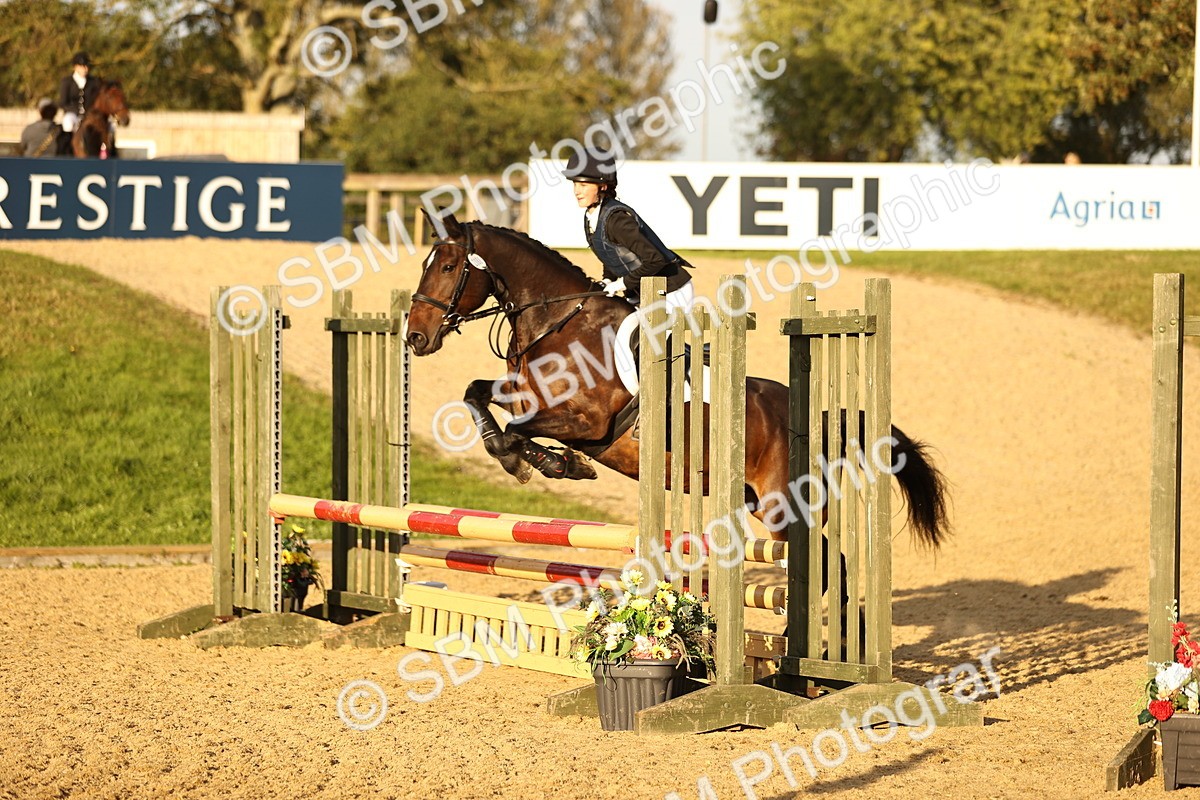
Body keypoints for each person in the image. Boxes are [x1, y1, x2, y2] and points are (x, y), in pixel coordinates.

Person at [562, 148, 694, 312]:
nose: (577, 191)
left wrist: (621, 283)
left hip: (671, 292)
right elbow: (609, 253)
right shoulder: (591, 216)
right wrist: (608, 279)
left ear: (603, 186)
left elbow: (656, 260)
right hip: (640, 295)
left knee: (642, 330)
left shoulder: (617, 220)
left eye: (583, 185)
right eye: (575, 184)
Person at [58, 51, 100, 137]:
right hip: (72, 114)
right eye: (82, 66)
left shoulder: (94, 82)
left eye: (87, 66)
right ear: (75, 67)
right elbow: (63, 103)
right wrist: (77, 111)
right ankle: (68, 143)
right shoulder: (67, 82)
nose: (85, 69)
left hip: (89, 114)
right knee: (68, 123)